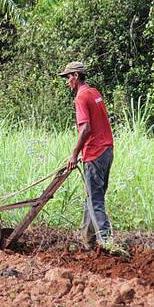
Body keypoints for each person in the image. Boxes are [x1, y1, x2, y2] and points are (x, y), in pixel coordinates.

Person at [59, 61, 114, 248]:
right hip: (107, 150)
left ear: (75, 76)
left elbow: (86, 129)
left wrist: (74, 154)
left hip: (94, 153)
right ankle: (88, 241)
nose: (67, 82)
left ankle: (107, 242)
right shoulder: (95, 93)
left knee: (95, 199)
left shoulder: (81, 97)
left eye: (68, 77)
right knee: (92, 196)